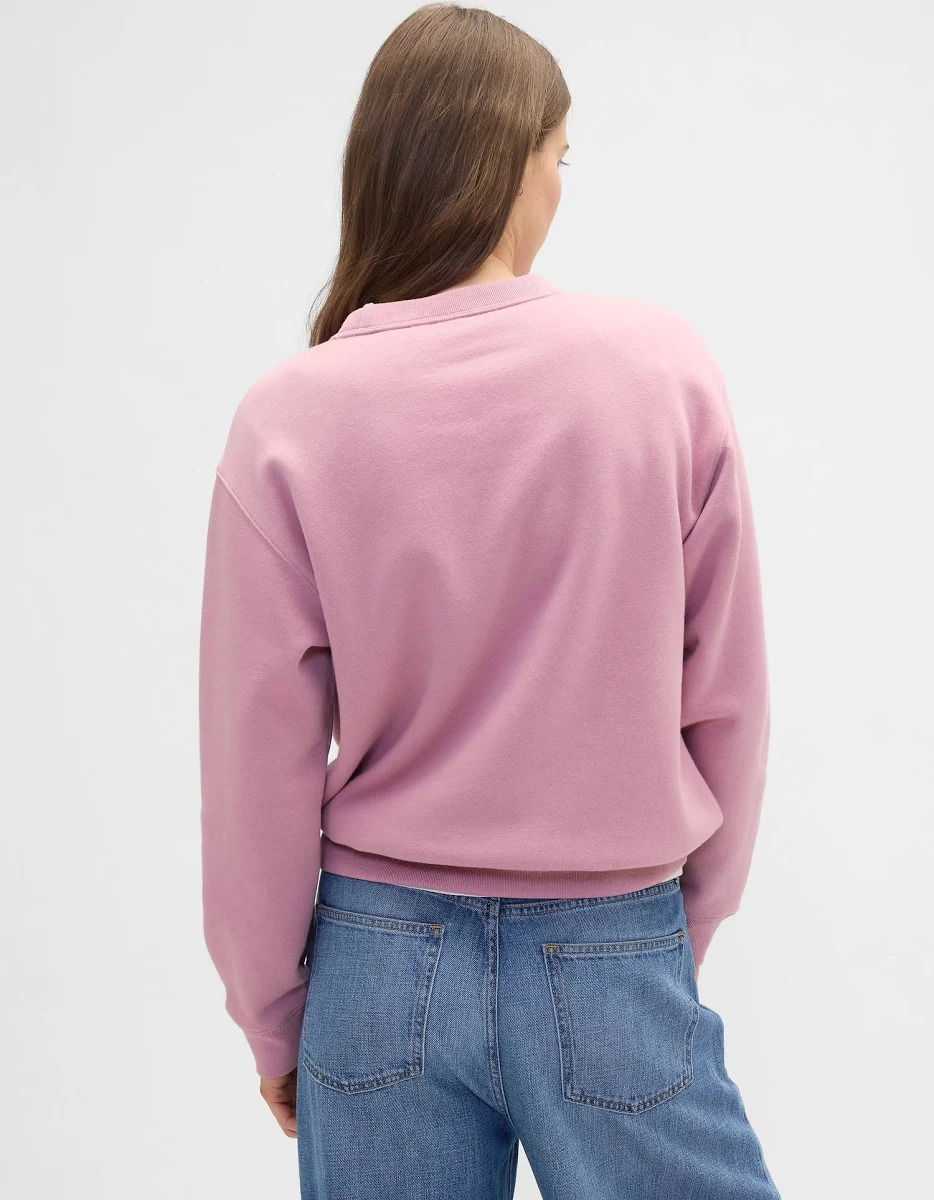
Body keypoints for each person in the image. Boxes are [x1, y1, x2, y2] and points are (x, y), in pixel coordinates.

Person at [199, 5, 781, 1197]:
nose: (558, 185)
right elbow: (726, 699)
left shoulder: (289, 415)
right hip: (610, 945)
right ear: (513, 161)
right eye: (559, 156)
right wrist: (676, 933)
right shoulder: (658, 372)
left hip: (374, 968)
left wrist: (274, 1014)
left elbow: (254, 759)